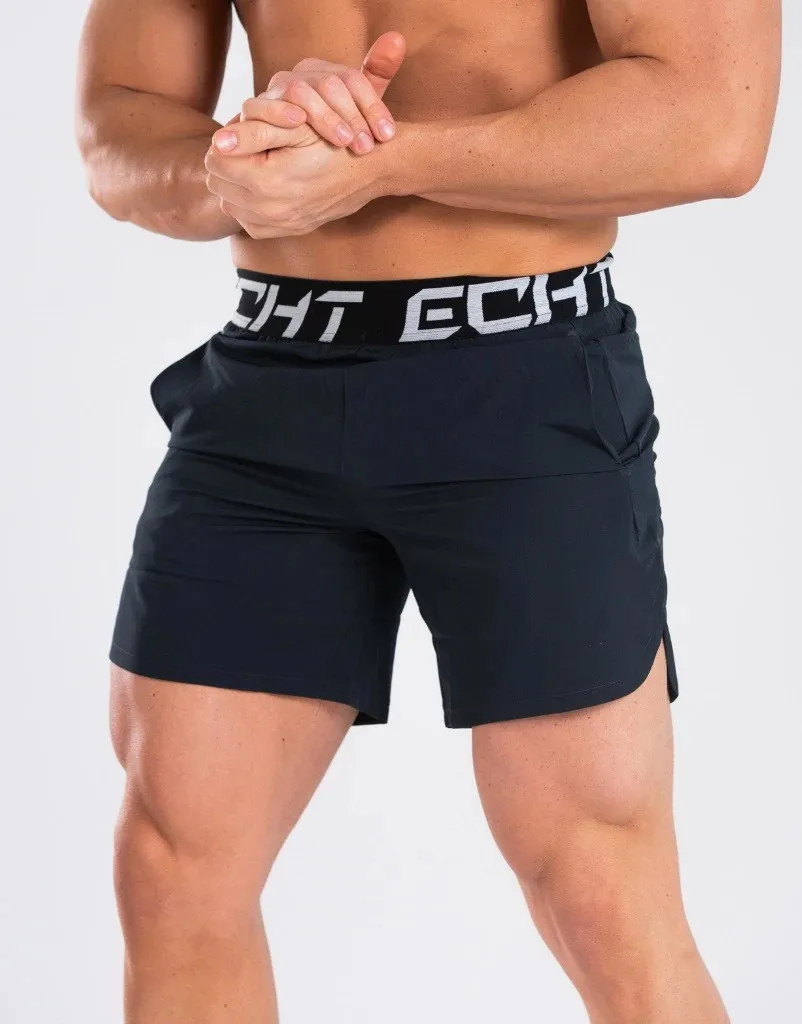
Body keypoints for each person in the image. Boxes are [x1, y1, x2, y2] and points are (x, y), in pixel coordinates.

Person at [76, 0, 780, 1020]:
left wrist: (387, 160)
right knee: (172, 870)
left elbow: (717, 119)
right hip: (270, 388)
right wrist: (226, 168)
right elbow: (119, 122)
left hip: (523, 380)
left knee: (598, 890)